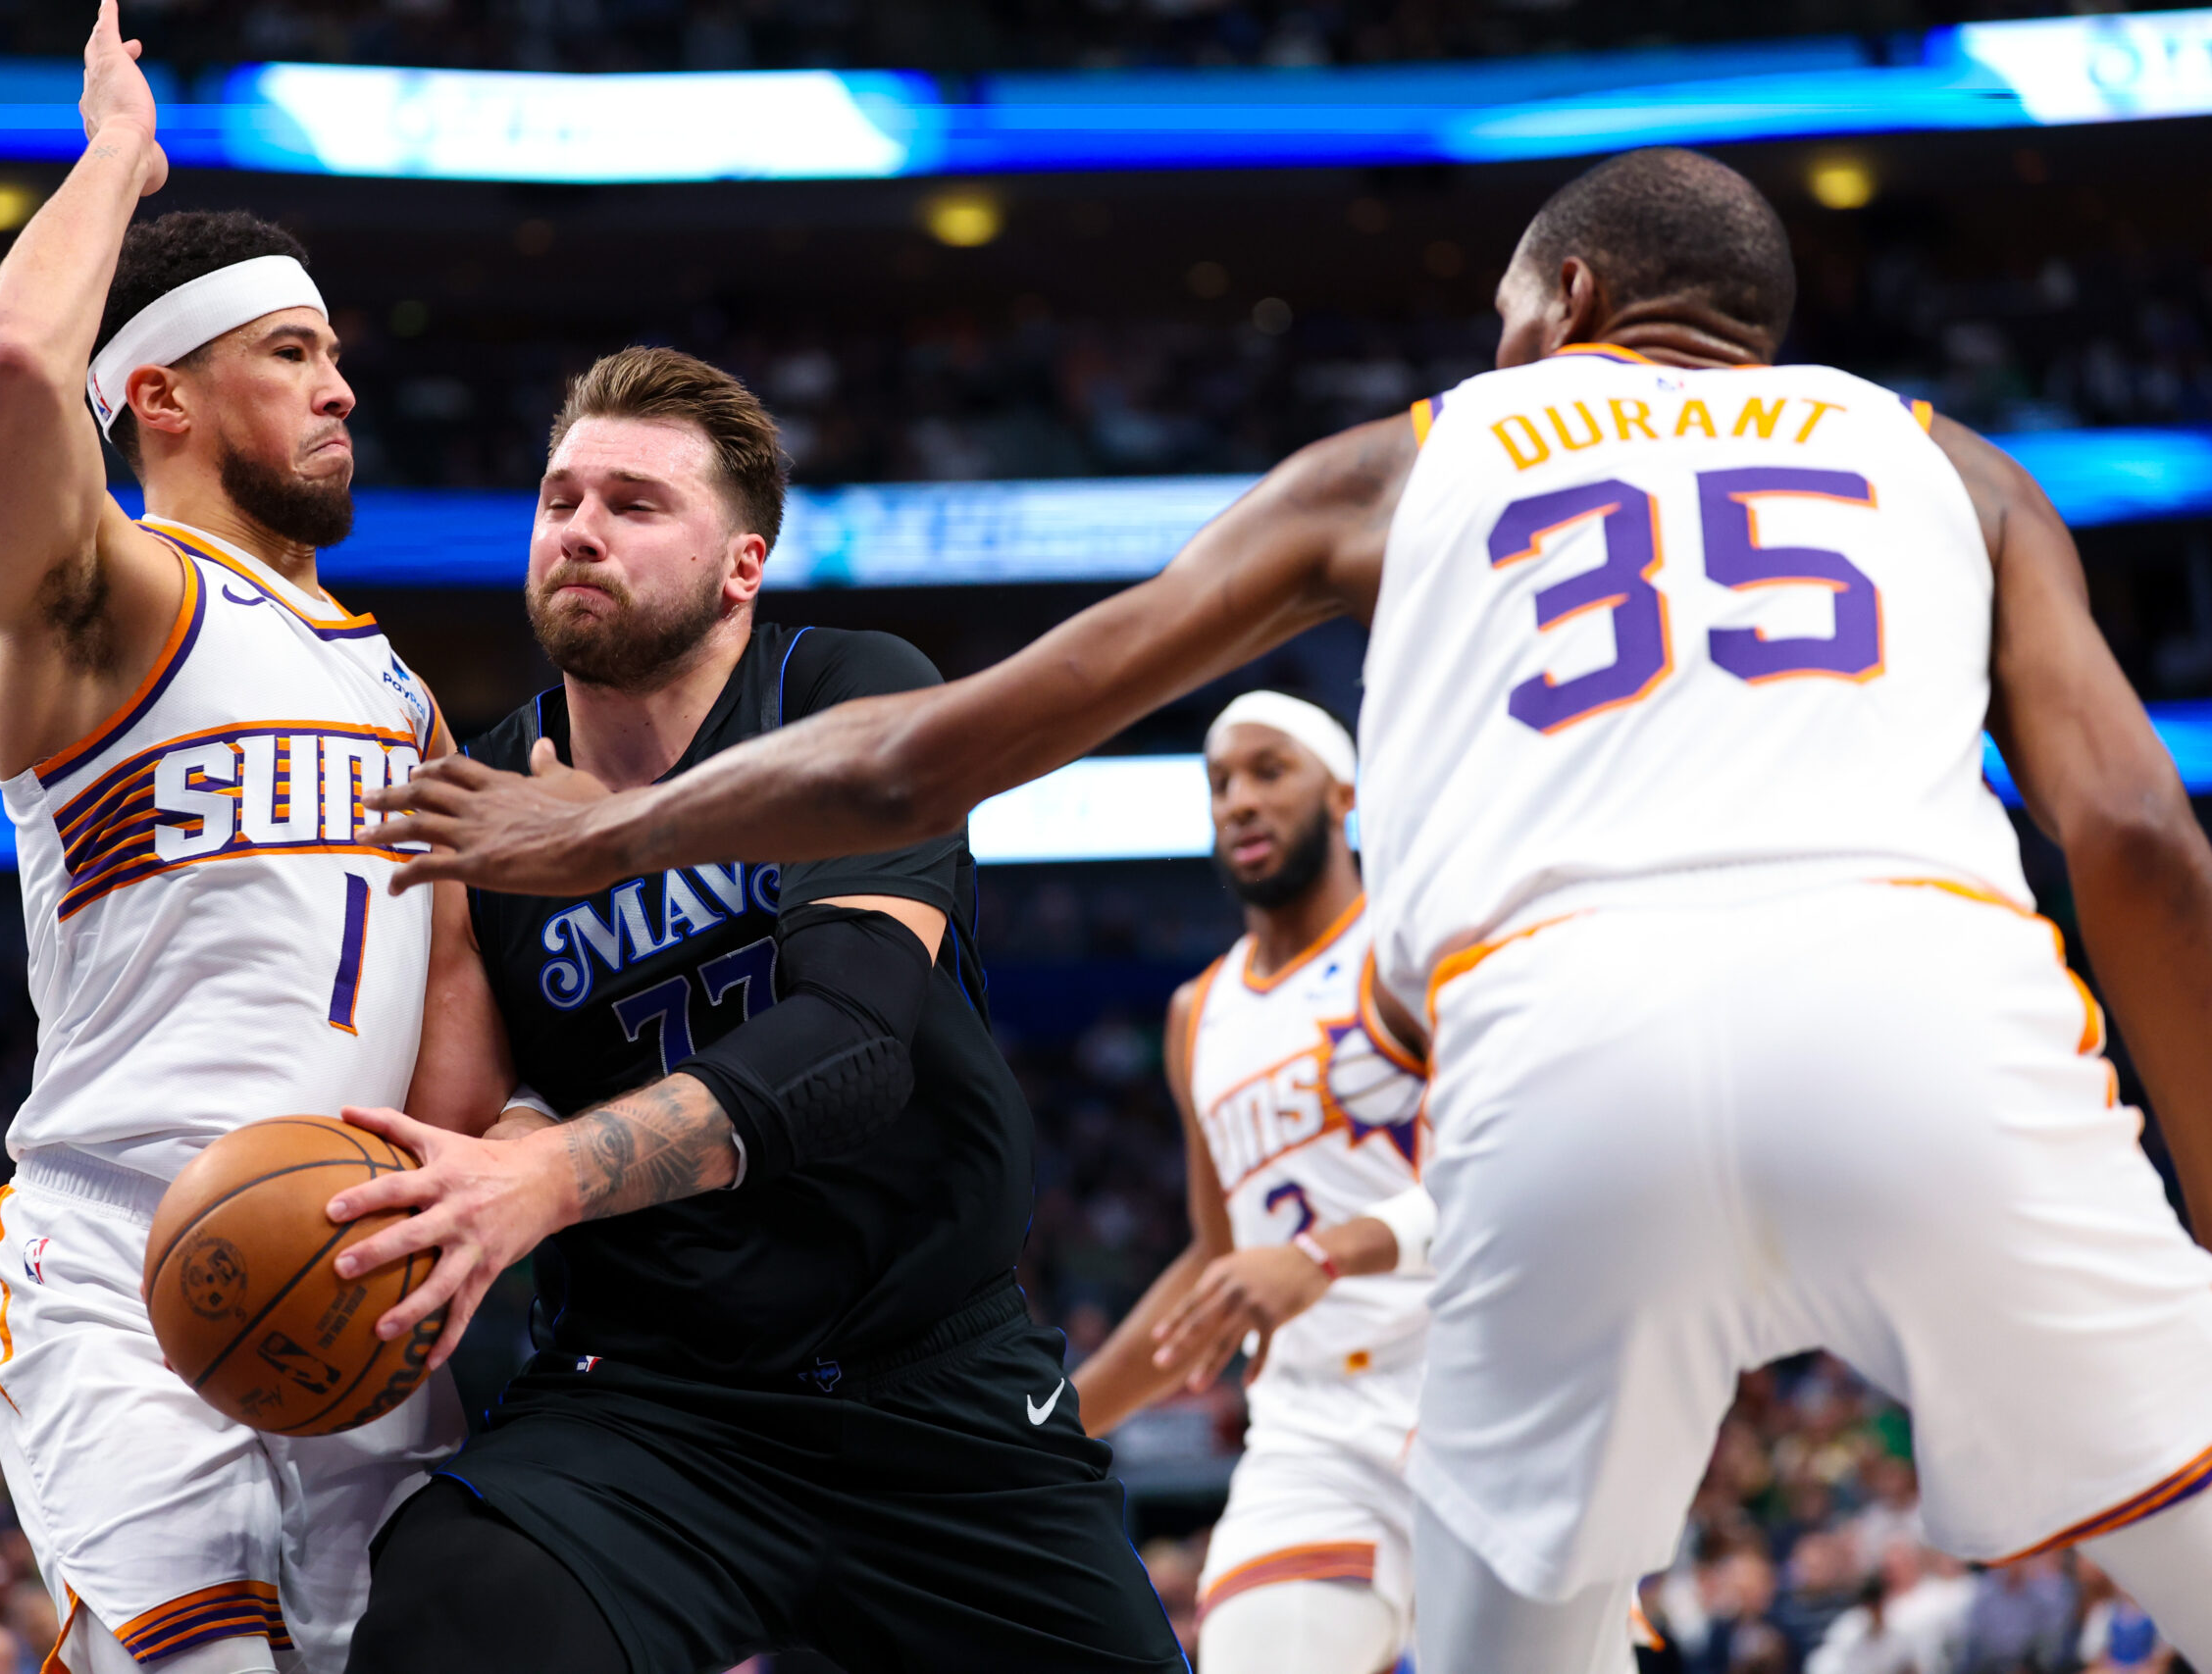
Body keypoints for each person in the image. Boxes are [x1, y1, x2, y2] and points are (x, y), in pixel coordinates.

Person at [360, 147, 2212, 1674]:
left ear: (1559, 313)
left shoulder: (1417, 459)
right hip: (1934, 1010)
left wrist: (607, 838)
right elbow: (2136, 834)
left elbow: (915, 763)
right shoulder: (1954, 464)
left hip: (1565, 1060)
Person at [320, 345, 1187, 1674]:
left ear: (743, 565)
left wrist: (549, 1169)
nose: (581, 529)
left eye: (635, 502)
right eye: (560, 499)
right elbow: (483, 1107)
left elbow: (850, 1042)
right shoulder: (473, 791)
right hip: (658, 1403)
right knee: (452, 1597)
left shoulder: (847, 691)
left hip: (935, 1388)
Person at [0, 6, 464, 1669]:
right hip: (121, 1244)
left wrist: (461, 1192)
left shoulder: (403, 691)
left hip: (357, 1273)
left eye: (334, 352)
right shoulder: (116, 609)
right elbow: (20, 369)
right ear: (161, 393)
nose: (343, 384)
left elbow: (459, 987)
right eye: (294, 352)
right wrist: (121, 160)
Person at [1073, 691, 1433, 1674]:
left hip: (1478, 1391)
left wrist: (1321, 1257)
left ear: (1342, 793)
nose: (1237, 800)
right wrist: (1060, 1430)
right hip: (1311, 1435)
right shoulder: (1201, 1011)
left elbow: (1522, 1173)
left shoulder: (1408, 949)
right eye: (1219, 782)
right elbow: (1220, 1261)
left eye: (1270, 771)